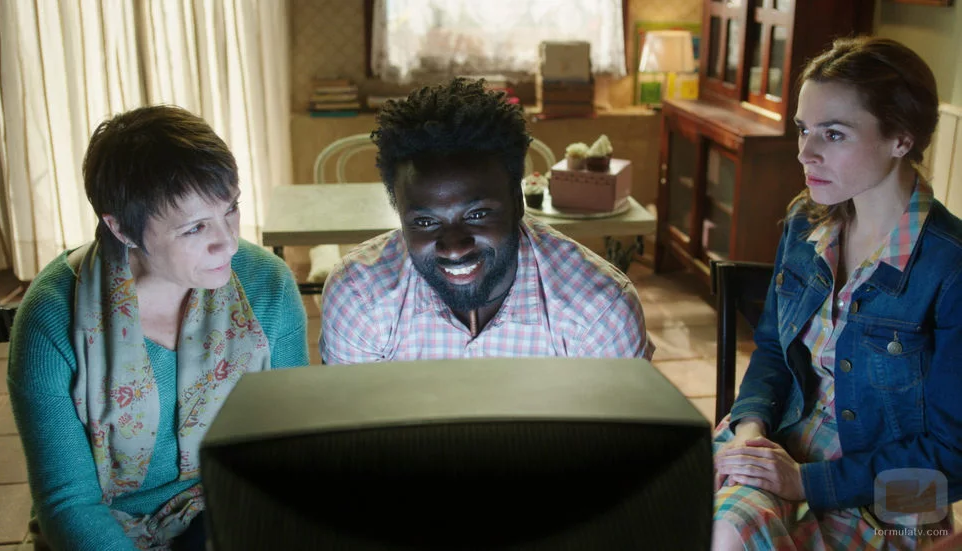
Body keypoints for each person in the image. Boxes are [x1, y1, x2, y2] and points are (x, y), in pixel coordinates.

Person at [7, 105, 309, 551]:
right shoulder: (51, 318)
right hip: (106, 527)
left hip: (230, 506)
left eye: (230, 209)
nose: (227, 241)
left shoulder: (268, 284)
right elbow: (68, 503)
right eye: (194, 228)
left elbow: (290, 448)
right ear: (121, 228)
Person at [712, 36, 962, 549]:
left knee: (729, 533)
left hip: (896, 491)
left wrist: (807, 483)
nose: (805, 152)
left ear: (901, 139)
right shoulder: (805, 221)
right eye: (803, 129)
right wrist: (750, 431)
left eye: (833, 133)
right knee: (695, 520)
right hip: (781, 440)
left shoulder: (951, 268)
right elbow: (772, 349)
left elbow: (953, 459)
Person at [319, 78, 654, 363]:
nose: (454, 247)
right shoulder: (359, 297)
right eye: (425, 222)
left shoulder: (600, 313)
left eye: (477, 215)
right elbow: (355, 422)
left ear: (517, 203)